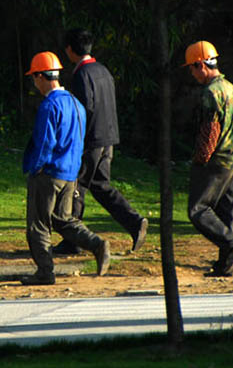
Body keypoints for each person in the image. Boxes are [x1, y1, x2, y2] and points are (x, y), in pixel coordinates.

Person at [54, 29, 147, 256]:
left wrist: (75, 139)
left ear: (69, 49)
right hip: (109, 137)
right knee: (100, 185)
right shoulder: (103, 70)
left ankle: (72, 239)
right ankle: (134, 222)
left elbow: (86, 108)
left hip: (91, 139)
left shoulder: (82, 74)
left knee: (76, 186)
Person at [22, 51, 111, 286]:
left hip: (49, 173)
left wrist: (36, 168)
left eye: (34, 78)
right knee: (64, 220)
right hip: (70, 174)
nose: (34, 83)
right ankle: (97, 244)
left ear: (42, 76)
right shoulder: (76, 103)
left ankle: (45, 271)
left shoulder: (49, 106)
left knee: (38, 224)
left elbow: (45, 143)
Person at [182, 41, 233, 277]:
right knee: (228, 214)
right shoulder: (231, 88)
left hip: (217, 161)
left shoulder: (211, 92)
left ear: (201, 65)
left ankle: (232, 244)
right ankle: (226, 265)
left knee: (197, 208)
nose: (192, 73)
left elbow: (210, 130)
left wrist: (201, 159)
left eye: (192, 68)